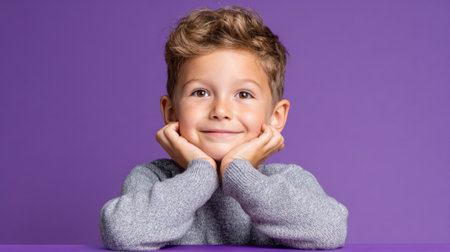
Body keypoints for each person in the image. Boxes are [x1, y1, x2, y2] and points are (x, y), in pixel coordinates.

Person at [99, 6, 349, 251]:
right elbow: (122, 234)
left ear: (275, 116)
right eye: (200, 92)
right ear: (171, 112)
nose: (220, 110)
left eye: (243, 94)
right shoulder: (151, 178)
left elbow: (329, 230)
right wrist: (202, 173)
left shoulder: (288, 181)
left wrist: (238, 172)